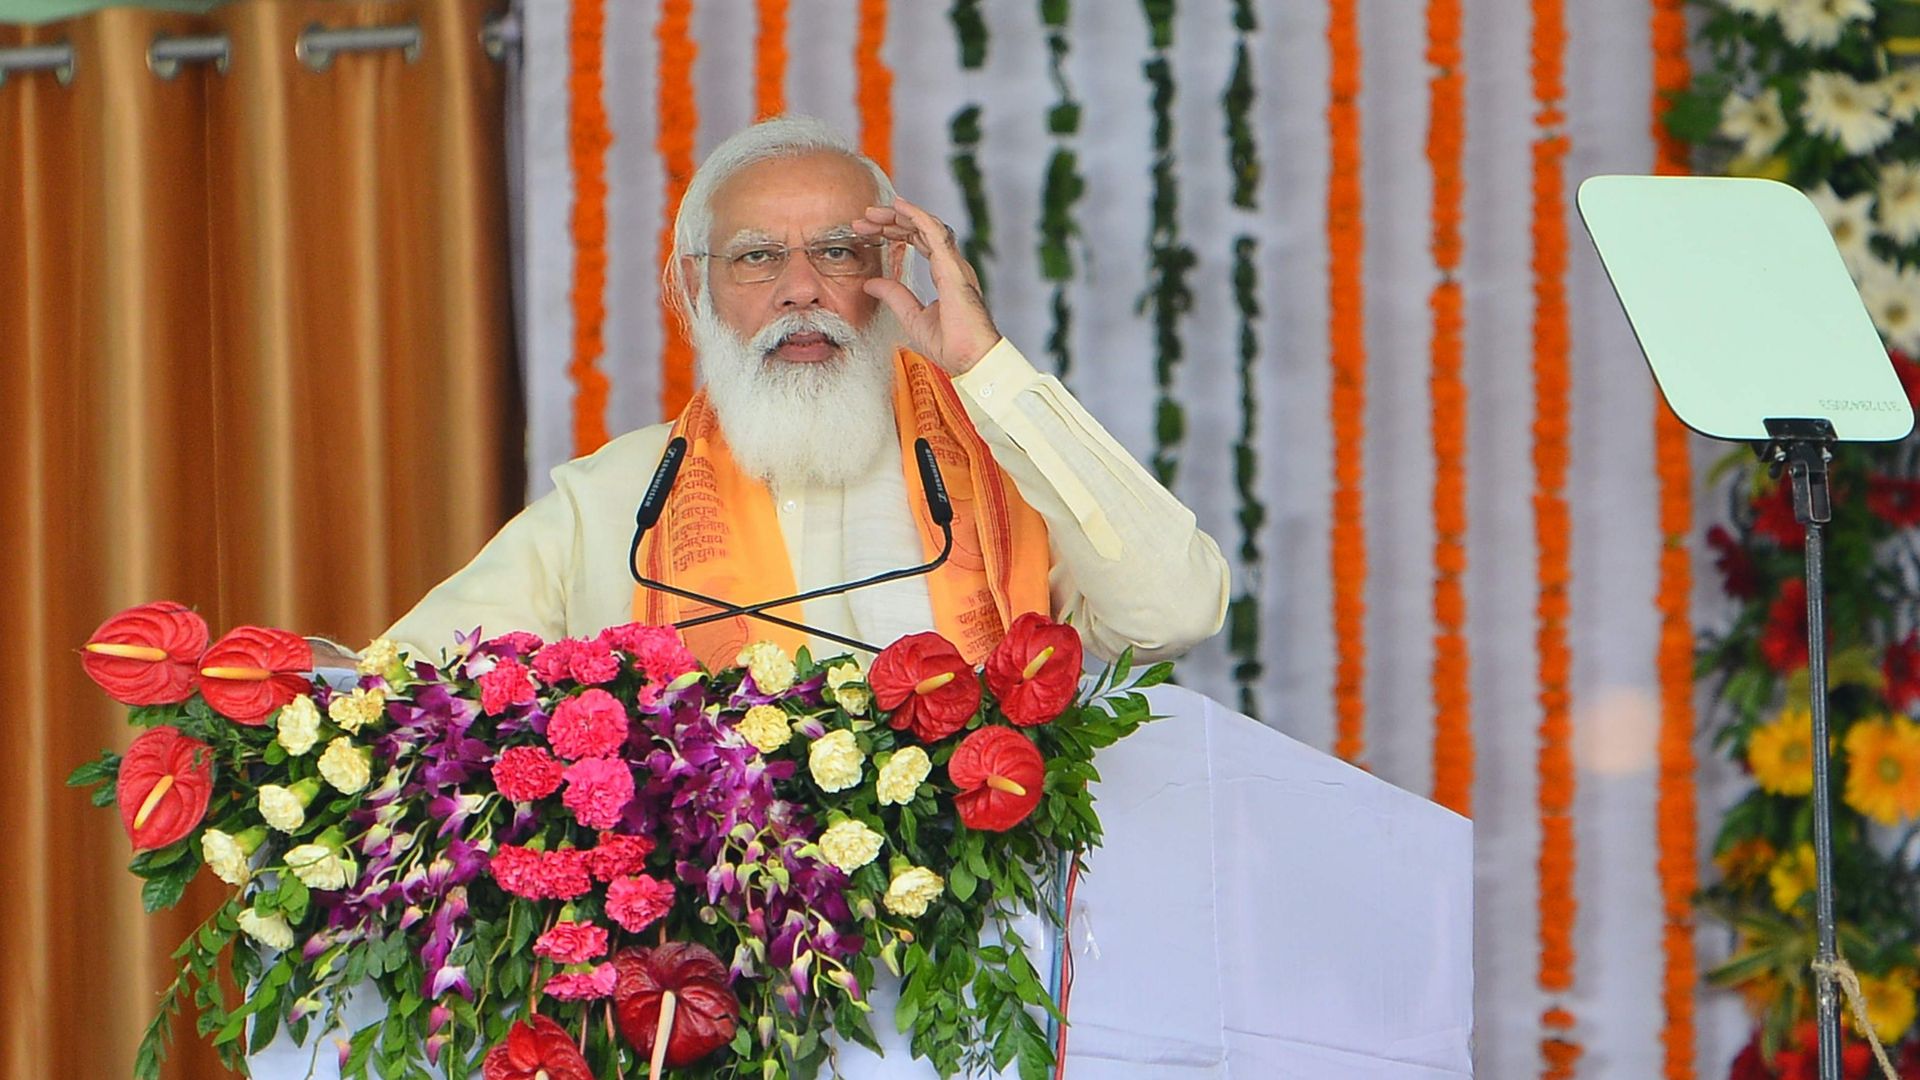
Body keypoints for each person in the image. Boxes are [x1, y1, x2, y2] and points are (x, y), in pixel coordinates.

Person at [381, 115, 1228, 669]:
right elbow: (400, 690)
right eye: (755, 257)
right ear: (695, 284)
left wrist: (988, 371)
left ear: (891, 269)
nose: (800, 290)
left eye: (836, 253)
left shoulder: (1004, 469)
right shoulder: (612, 504)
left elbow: (1177, 611)